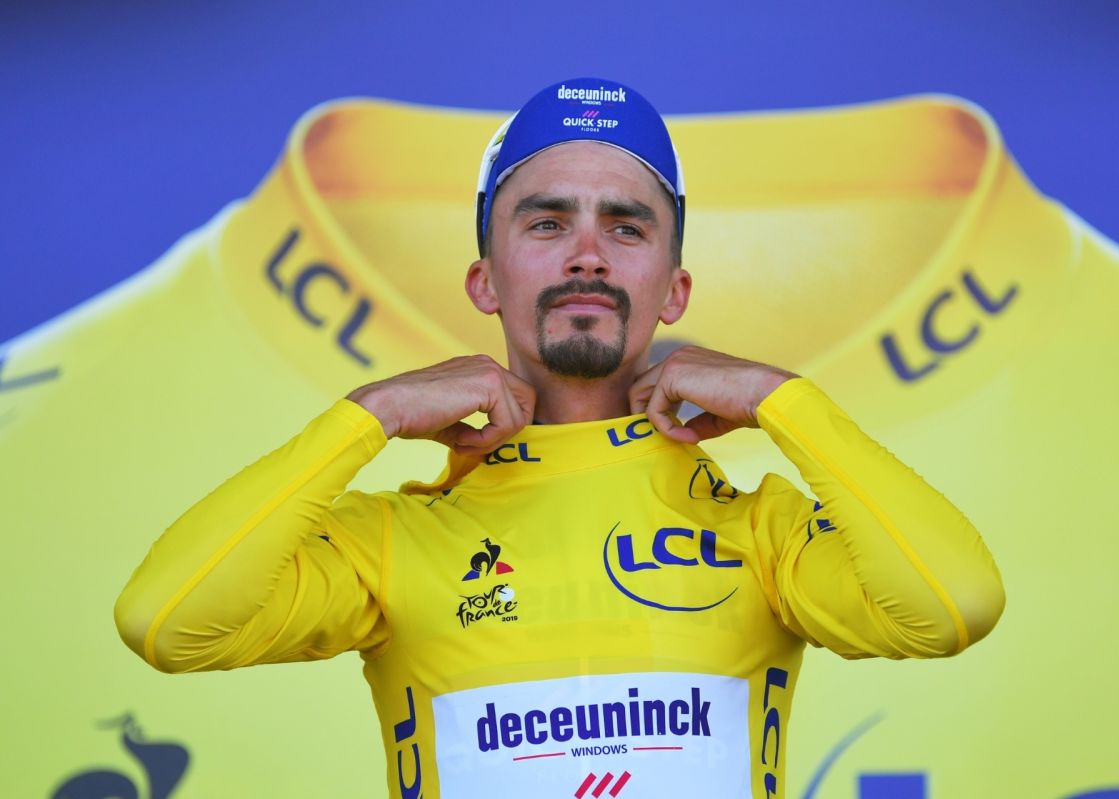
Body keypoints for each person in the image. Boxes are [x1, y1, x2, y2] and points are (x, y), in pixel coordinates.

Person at [114, 77, 1005, 799]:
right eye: (546, 222)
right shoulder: (390, 542)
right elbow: (167, 622)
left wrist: (785, 400)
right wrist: (369, 414)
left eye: (626, 226)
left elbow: (952, 604)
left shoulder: (760, 533)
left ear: (675, 290)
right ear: (485, 281)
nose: (588, 254)